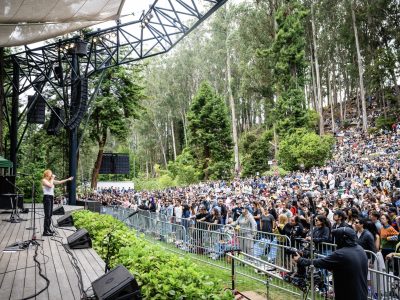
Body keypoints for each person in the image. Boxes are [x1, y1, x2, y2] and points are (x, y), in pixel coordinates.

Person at [294, 227, 368, 300]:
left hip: (348, 295)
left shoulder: (341, 254)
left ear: (342, 238)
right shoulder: (360, 249)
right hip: (361, 293)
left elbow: (320, 262)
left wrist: (300, 260)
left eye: (337, 237)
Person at [41, 169, 73, 236]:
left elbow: (60, 182)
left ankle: (48, 229)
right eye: (51, 173)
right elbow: (49, 185)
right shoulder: (44, 180)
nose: (52, 174)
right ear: (47, 174)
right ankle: (45, 231)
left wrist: (68, 179)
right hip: (47, 198)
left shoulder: (51, 180)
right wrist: (52, 178)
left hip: (51, 198)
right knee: (47, 215)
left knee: (50, 215)